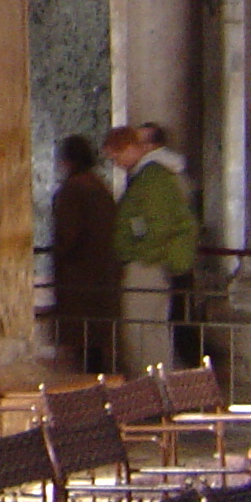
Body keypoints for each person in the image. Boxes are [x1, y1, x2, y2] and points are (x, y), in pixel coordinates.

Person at [105, 123, 196, 373]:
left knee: (140, 331)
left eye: (117, 156)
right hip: (152, 261)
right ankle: (157, 386)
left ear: (131, 149)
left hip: (147, 263)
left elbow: (159, 225)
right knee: (152, 329)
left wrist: (137, 254)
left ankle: (148, 388)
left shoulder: (152, 178)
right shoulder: (155, 175)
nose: (117, 163)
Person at [48, 134, 121, 375]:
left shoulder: (73, 191)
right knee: (97, 349)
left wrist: (58, 256)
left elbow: (67, 237)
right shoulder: (100, 188)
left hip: (79, 282)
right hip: (102, 281)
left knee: (85, 350)